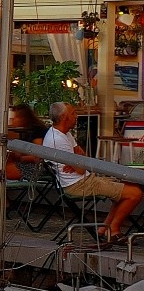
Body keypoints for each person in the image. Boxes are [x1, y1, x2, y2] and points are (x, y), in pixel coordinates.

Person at [41, 103, 144, 241]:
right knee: (135, 194)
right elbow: (82, 167)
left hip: (83, 179)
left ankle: (104, 228)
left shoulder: (64, 133)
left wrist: (76, 160)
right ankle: (113, 230)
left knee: (127, 185)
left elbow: (83, 157)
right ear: (64, 117)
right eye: (73, 113)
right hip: (78, 184)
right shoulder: (59, 139)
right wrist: (78, 161)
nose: (76, 116)